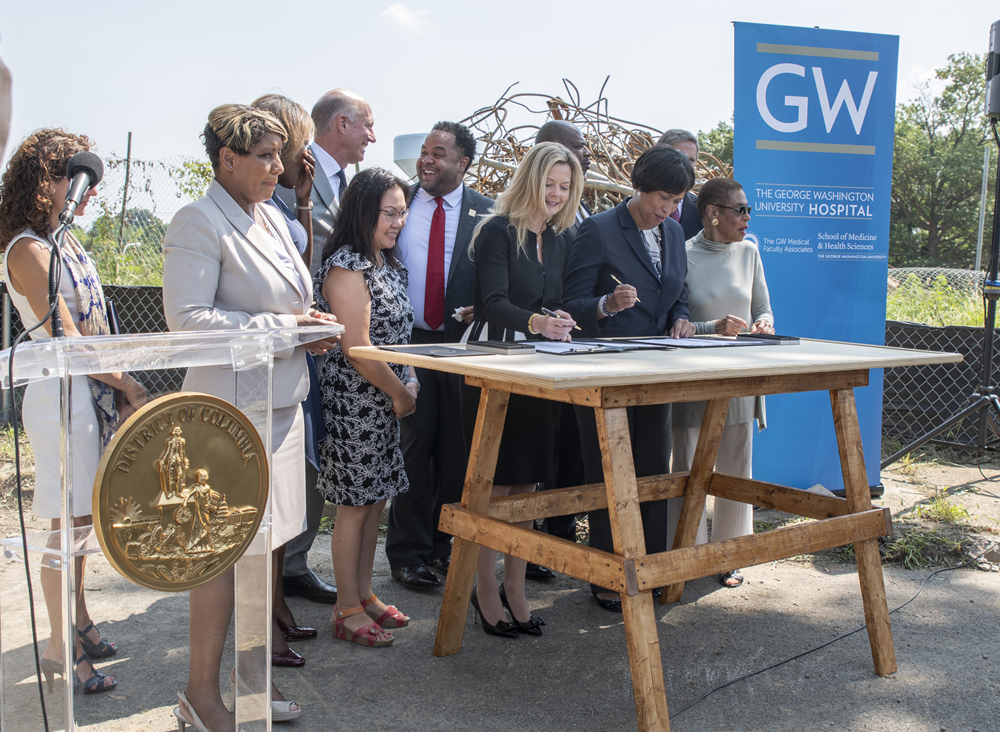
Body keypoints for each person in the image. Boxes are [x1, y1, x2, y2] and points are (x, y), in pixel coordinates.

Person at [163, 104, 340, 731]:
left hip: (280, 409)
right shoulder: (198, 220)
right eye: (264, 156)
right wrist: (289, 328)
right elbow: (187, 325)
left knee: (262, 552)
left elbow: (289, 304)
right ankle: (199, 698)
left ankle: (252, 689)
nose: (277, 166)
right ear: (226, 160)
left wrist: (308, 328)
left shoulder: (269, 218)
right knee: (219, 557)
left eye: (278, 154)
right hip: (228, 420)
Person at [0, 129, 148, 694]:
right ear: (47, 181)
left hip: (87, 395)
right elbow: (69, 337)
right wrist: (130, 384)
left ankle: (79, 619)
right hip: (61, 399)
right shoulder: (29, 249)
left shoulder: (62, 240)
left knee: (84, 524)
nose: (85, 193)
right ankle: (61, 650)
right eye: (75, 178)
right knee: (67, 528)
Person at [563, 144, 695, 611]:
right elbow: (570, 304)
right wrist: (605, 305)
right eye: (662, 197)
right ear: (639, 185)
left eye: (677, 200)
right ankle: (607, 573)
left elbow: (676, 293)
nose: (668, 209)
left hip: (658, 370)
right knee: (609, 470)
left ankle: (651, 565)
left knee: (654, 467)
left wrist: (680, 317)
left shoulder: (675, 233)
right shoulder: (596, 230)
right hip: (606, 373)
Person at [463, 142, 583, 638]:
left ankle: (516, 589)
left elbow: (547, 300)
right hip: (494, 367)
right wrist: (537, 320)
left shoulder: (558, 239)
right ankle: (484, 591)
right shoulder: (495, 231)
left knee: (528, 485)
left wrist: (557, 317)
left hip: (538, 369)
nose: (556, 194)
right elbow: (491, 304)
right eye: (550, 184)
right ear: (531, 181)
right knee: (493, 487)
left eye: (565, 186)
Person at [274, 88, 375, 606]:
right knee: (298, 454)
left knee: (313, 453)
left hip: (326, 341)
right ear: (340, 123)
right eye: (366, 126)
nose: (373, 137)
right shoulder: (283, 184)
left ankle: (292, 564)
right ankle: (280, 569)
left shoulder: (330, 186)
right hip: (294, 340)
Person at [386, 121, 492, 591]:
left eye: (439, 153)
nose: (426, 160)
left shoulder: (488, 214)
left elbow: (497, 280)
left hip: (461, 348)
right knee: (413, 450)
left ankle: (443, 548)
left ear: (463, 163)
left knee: (457, 453)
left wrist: (482, 307)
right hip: (408, 344)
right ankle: (407, 555)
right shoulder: (397, 205)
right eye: (424, 152)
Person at [315, 167, 416, 648]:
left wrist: (405, 382)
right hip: (355, 402)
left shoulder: (388, 263)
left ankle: (364, 593)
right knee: (353, 505)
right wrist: (400, 392)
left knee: (376, 498)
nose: (398, 222)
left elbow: (400, 338)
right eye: (389, 213)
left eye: (403, 212)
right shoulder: (347, 264)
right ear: (364, 212)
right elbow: (356, 347)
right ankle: (346, 609)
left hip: (386, 399)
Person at [666, 177, 773, 588]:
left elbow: (763, 307)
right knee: (690, 466)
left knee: (737, 469)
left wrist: (764, 322)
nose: (747, 218)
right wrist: (714, 327)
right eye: (740, 210)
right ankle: (688, 555)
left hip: (741, 375)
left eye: (748, 209)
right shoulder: (684, 253)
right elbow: (672, 325)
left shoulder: (750, 252)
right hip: (695, 378)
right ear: (713, 213)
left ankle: (729, 555)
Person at [250, 93, 327, 645]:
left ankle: (275, 603)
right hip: (260, 373)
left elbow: (301, 277)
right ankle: (264, 615)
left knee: (284, 503)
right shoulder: (253, 202)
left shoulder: (283, 200)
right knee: (263, 508)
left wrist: (302, 203)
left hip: (292, 372)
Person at [527, 121, 594, 579]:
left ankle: (559, 536)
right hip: (532, 354)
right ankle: (530, 550)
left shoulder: (580, 217)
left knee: (569, 453)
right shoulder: (509, 228)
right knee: (535, 458)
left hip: (577, 348)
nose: (586, 152)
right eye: (576, 147)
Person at [656, 129, 703, 241]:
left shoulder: (702, 210)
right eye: (680, 156)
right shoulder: (642, 205)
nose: (685, 164)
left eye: (691, 160)